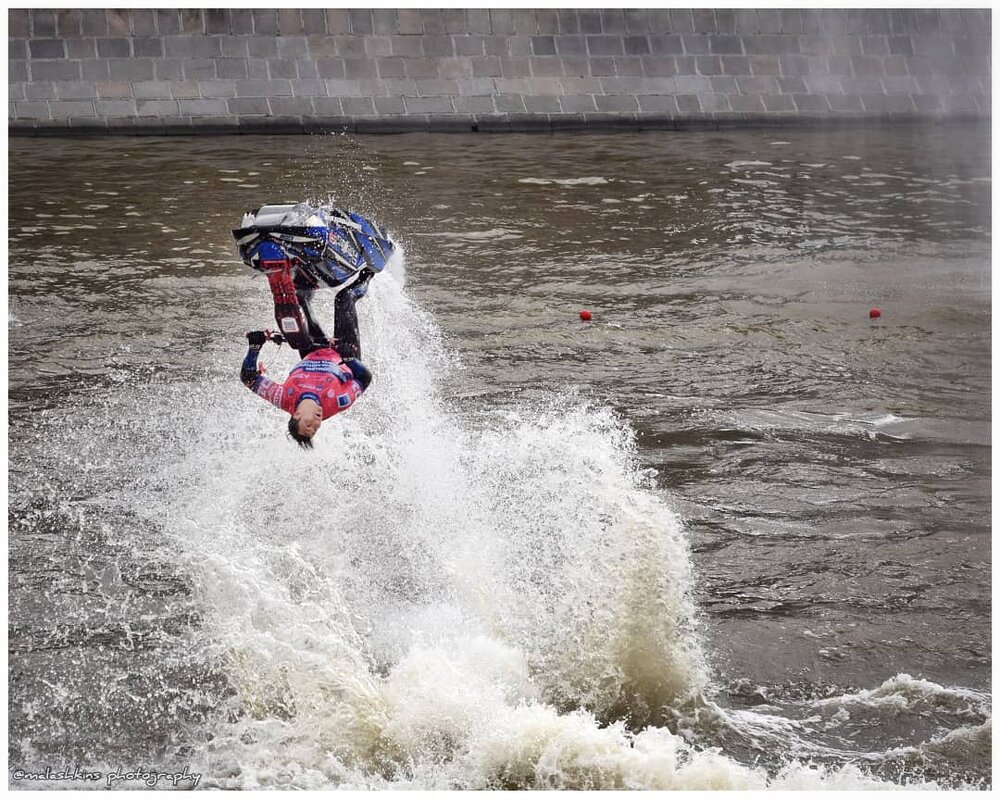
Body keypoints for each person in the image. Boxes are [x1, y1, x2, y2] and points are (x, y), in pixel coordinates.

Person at [240, 271, 374, 448]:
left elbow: (248, 378)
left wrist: (254, 347)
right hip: (344, 356)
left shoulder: (282, 398)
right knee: (344, 299)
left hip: (312, 351)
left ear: (296, 415)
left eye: (308, 425)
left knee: (298, 297)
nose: (317, 424)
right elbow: (365, 379)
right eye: (315, 429)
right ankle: (370, 271)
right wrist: (350, 359)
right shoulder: (337, 402)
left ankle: (311, 271)